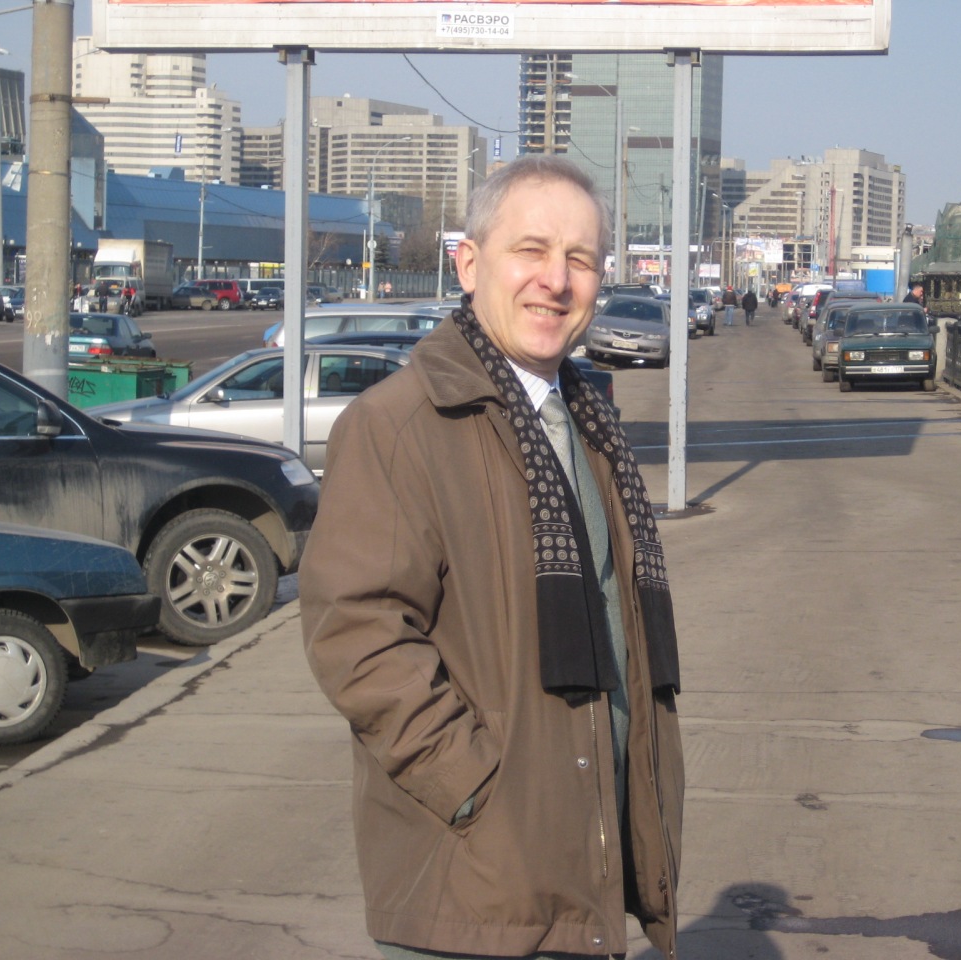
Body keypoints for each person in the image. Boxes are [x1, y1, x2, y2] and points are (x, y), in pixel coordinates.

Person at [300, 154, 684, 960]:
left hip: (581, 867)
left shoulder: (588, 426)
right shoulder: (400, 426)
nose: (556, 280)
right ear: (469, 264)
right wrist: (474, 787)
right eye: (531, 250)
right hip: (473, 889)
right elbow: (358, 635)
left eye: (580, 259)